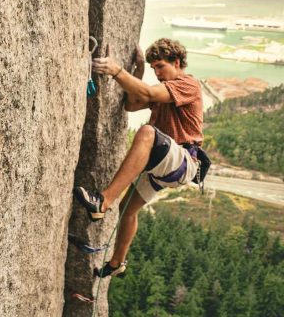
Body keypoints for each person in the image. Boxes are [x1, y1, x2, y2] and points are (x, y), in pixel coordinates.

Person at [74, 37, 203, 278]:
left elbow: (147, 92)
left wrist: (116, 70)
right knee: (128, 209)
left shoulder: (187, 85)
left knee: (146, 133)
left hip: (183, 160)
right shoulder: (165, 92)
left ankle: (102, 201)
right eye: (154, 68)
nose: (158, 73)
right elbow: (132, 104)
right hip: (164, 163)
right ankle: (117, 263)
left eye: (160, 66)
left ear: (177, 62)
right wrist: (140, 69)